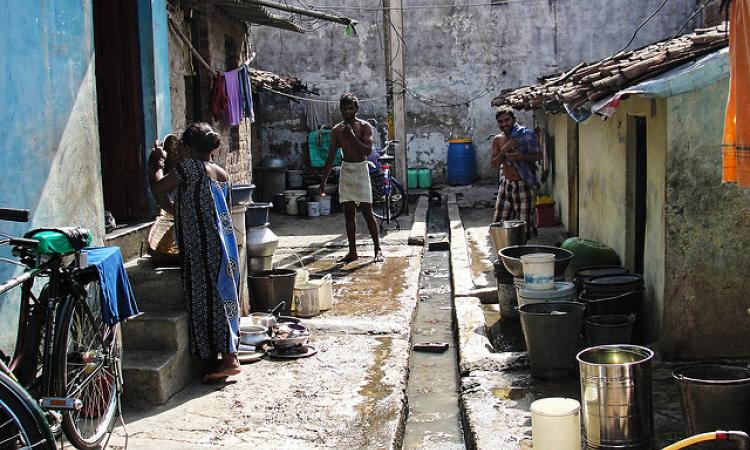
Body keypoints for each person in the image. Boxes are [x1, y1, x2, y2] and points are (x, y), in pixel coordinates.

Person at [151, 123, 241, 381]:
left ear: (189, 148)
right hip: (224, 246)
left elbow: (159, 189)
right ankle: (224, 356)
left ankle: (228, 359)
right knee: (224, 296)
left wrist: (157, 166)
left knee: (204, 298)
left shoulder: (188, 168)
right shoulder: (222, 173)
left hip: (200, 246)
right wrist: (180, 212)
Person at [320, 93, 383, 263]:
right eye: (344, 108)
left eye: (351, 108)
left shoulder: (364, 127)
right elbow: (331, 155)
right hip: (346, 170)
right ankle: (352, 251)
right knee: (348, 213)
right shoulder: (337, 130)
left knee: (368, 212)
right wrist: (323, 181)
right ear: (340, 110)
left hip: (361, 170)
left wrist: (352, 136)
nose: (348, 111)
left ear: (356, 109)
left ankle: (377, 249)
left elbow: (367, 151)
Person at [490, 106, 542, 238]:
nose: (504, 124)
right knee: (498, 225)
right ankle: (503, 254)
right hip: (506, 186)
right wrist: (505, 149)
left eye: (507, 120)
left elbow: (539, 156)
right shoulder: (498, 140)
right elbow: (495, 164)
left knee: (523, 226)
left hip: (523, 185)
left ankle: (519, 254)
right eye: (500, 122)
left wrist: (521, 157)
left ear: (514, 119)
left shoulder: (526, 135)